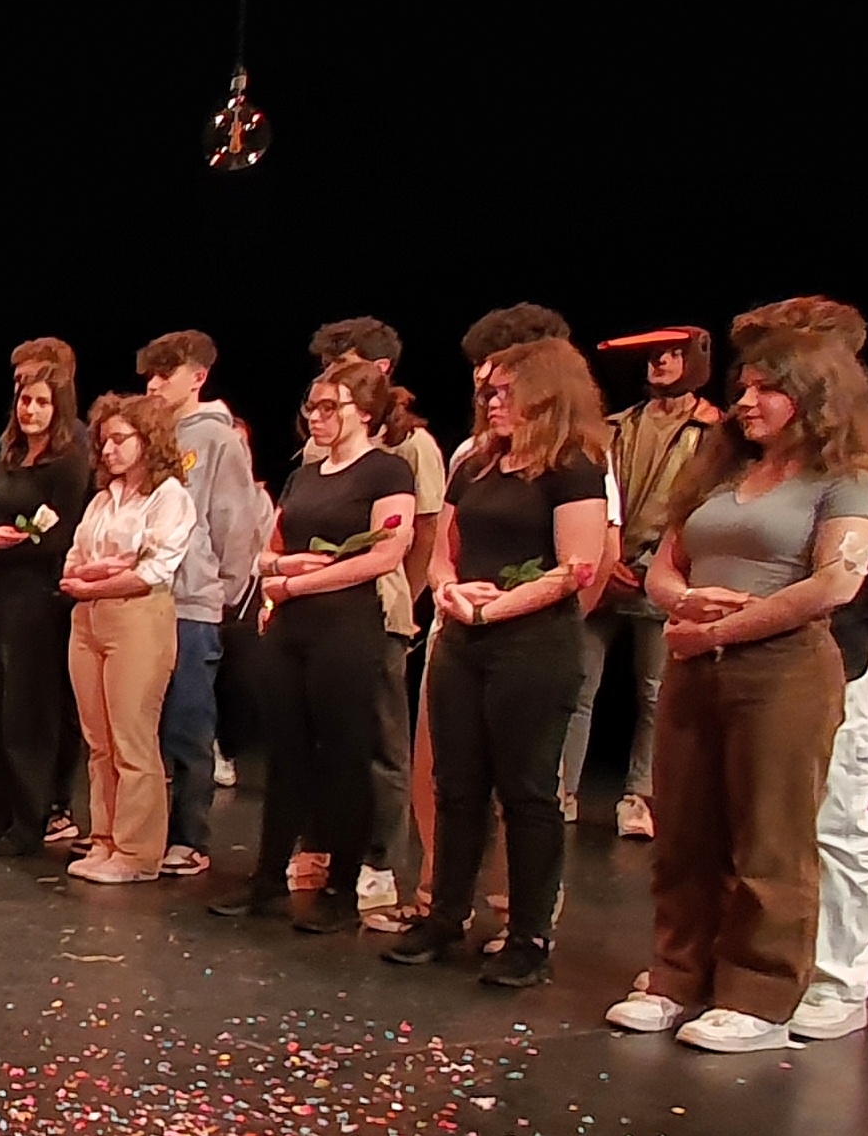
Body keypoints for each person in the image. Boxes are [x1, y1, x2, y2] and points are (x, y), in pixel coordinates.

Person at [607, 330, 868, 1054]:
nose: (746, 401)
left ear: (813, 398)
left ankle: (758, 993)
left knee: (771, 834)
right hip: (696, 663)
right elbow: (663, 564)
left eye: (767, 388)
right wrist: (682, 604)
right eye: (744, 388)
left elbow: (836, 581)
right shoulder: (722, 471)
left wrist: (723, 629)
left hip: (783, 667)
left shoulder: (845, 481)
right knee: (684, 828)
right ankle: (676, 976)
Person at [730, 297, 868, 1042]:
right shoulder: (749, 454)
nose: (753, 389)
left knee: (833, 820)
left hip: (827, 658)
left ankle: (837, 978)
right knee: (757, 823)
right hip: (745, 660)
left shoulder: (866, 460)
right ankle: (756, 969)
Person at [381, 337, 611, 990]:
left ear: (547, 393)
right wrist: (451, 592)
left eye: (506, 392)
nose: (492, 403)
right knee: (455, 784)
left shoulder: (574, 467)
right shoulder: (477, 463)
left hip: (532, 644)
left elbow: (577, 567)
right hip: (464, 637)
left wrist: (499, 606)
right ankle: (444, 915)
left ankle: (529, 934)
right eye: (487, 392)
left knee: (527, 790)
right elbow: (442, 550)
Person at [214, 363, 419, 930]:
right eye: (313, 407)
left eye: (331, 407)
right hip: (291, 627)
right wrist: (283, 570)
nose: (317, 418)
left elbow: (385, 553)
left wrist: (300, 582)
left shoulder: (387, 471)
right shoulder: (305, 474)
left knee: (346, 754)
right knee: (286, 753)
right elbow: (269, 550)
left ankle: (341, 889)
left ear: (366, 413)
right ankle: (267, 879)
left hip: (346, 627)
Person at [311, 317, 440, 926]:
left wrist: (404, 601)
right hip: (322, 610)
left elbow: (425, 533)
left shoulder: (411, 446)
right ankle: (326, 846)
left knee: (383, 743)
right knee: (329, 739)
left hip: (380, 607)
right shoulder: (321, 443)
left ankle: (380, 861)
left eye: (342, 366)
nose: (328, 379)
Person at [583, 329, 724, 843]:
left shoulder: (714, 432)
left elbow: (705, 502)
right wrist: (606, 558)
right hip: (605, 566)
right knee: (578, 684)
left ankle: (640, 796)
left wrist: (653, 565)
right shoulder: (616, 427)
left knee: (656, 692)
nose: (660, 363)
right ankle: (559, 790)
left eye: (672, 355)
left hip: (664, 571)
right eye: (654, 356)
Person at [132, 331, 260, 877]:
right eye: (150, 376)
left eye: (166, 374)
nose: (154, 385)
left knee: (187, 723)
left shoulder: (218, 439)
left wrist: (219, 590)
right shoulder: (147, 433)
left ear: (197, 377)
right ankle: (140, 832)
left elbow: (235, 522)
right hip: (142, 596)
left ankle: (189, 837)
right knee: (141, 721)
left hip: (192, 602)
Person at [0, 339, 89, 855]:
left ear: (58, 407)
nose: (29, 409)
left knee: (25, 714)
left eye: (40, 402)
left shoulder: (68, 461)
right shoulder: (7, 455)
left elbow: (58, 537)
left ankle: (31, 821)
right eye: (23, 400)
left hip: (34, 601)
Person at [58, 393, 196, 885]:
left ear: (148, 440)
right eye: (104, 440)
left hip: (137, 618)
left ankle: (137, 852)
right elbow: (74, 559)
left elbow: (153, 569)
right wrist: (104, 571)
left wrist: (98, 578)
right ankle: (105, 838)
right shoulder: (103, 498)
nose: (109, 449)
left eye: (120, 439)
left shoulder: (169, 497)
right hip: (88, 619)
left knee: (132, 738)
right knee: (98, 741)